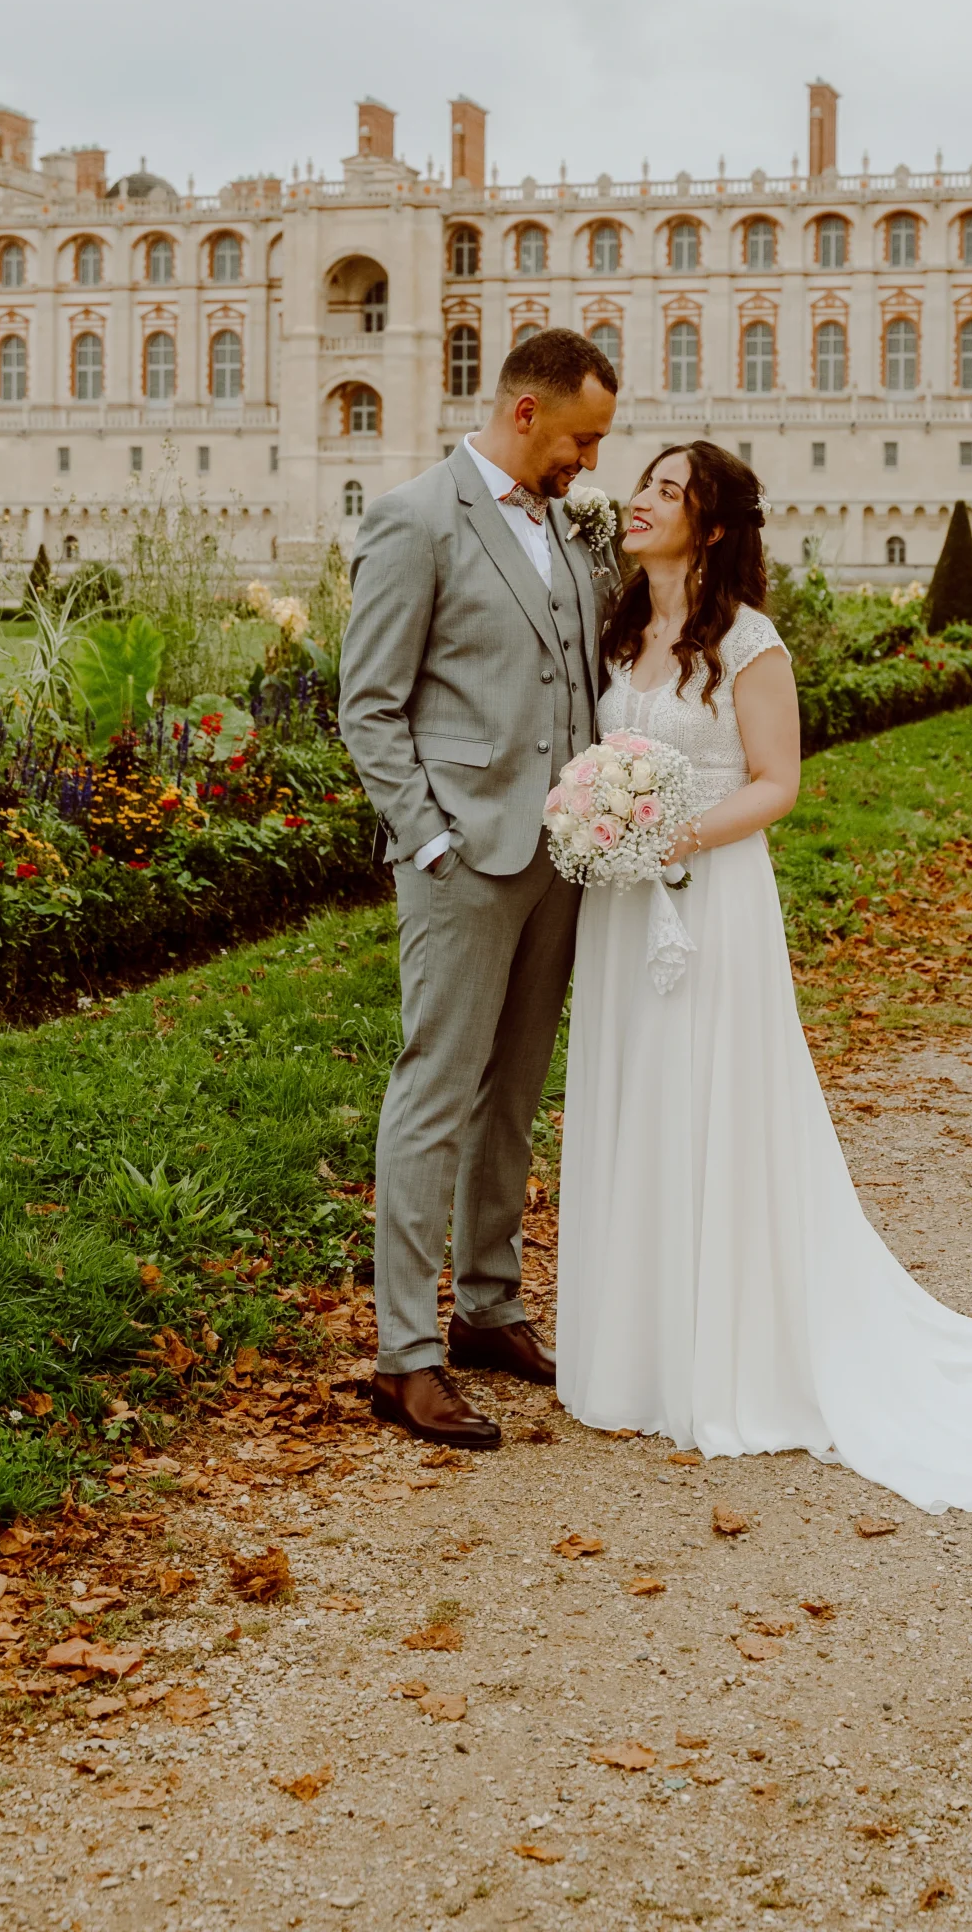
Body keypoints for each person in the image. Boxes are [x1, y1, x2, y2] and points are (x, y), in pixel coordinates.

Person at [555, 441, 972, 1512]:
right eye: (646, 483)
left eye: (671, 492)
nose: (641, 501)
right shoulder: (621, 627)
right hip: (623, 909)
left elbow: (779, 785)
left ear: (712, 526)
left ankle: (722, 1354)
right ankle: (636, 1353)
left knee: (712, 1099)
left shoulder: (751, 644)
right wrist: (601, 826)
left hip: (707, 897)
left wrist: (670, 837)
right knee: (638, 1101)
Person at [339, 329, 620, 1449]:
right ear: (523, 413)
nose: (589, 462)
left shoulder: (561, 522)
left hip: (560, 859)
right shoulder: (416, 517)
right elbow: (369, 703)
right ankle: (404, 1356)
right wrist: (431, 841)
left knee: (513, 1094)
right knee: (436, 1090)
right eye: (580, 439)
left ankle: (487, 1307)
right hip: (463, 858)